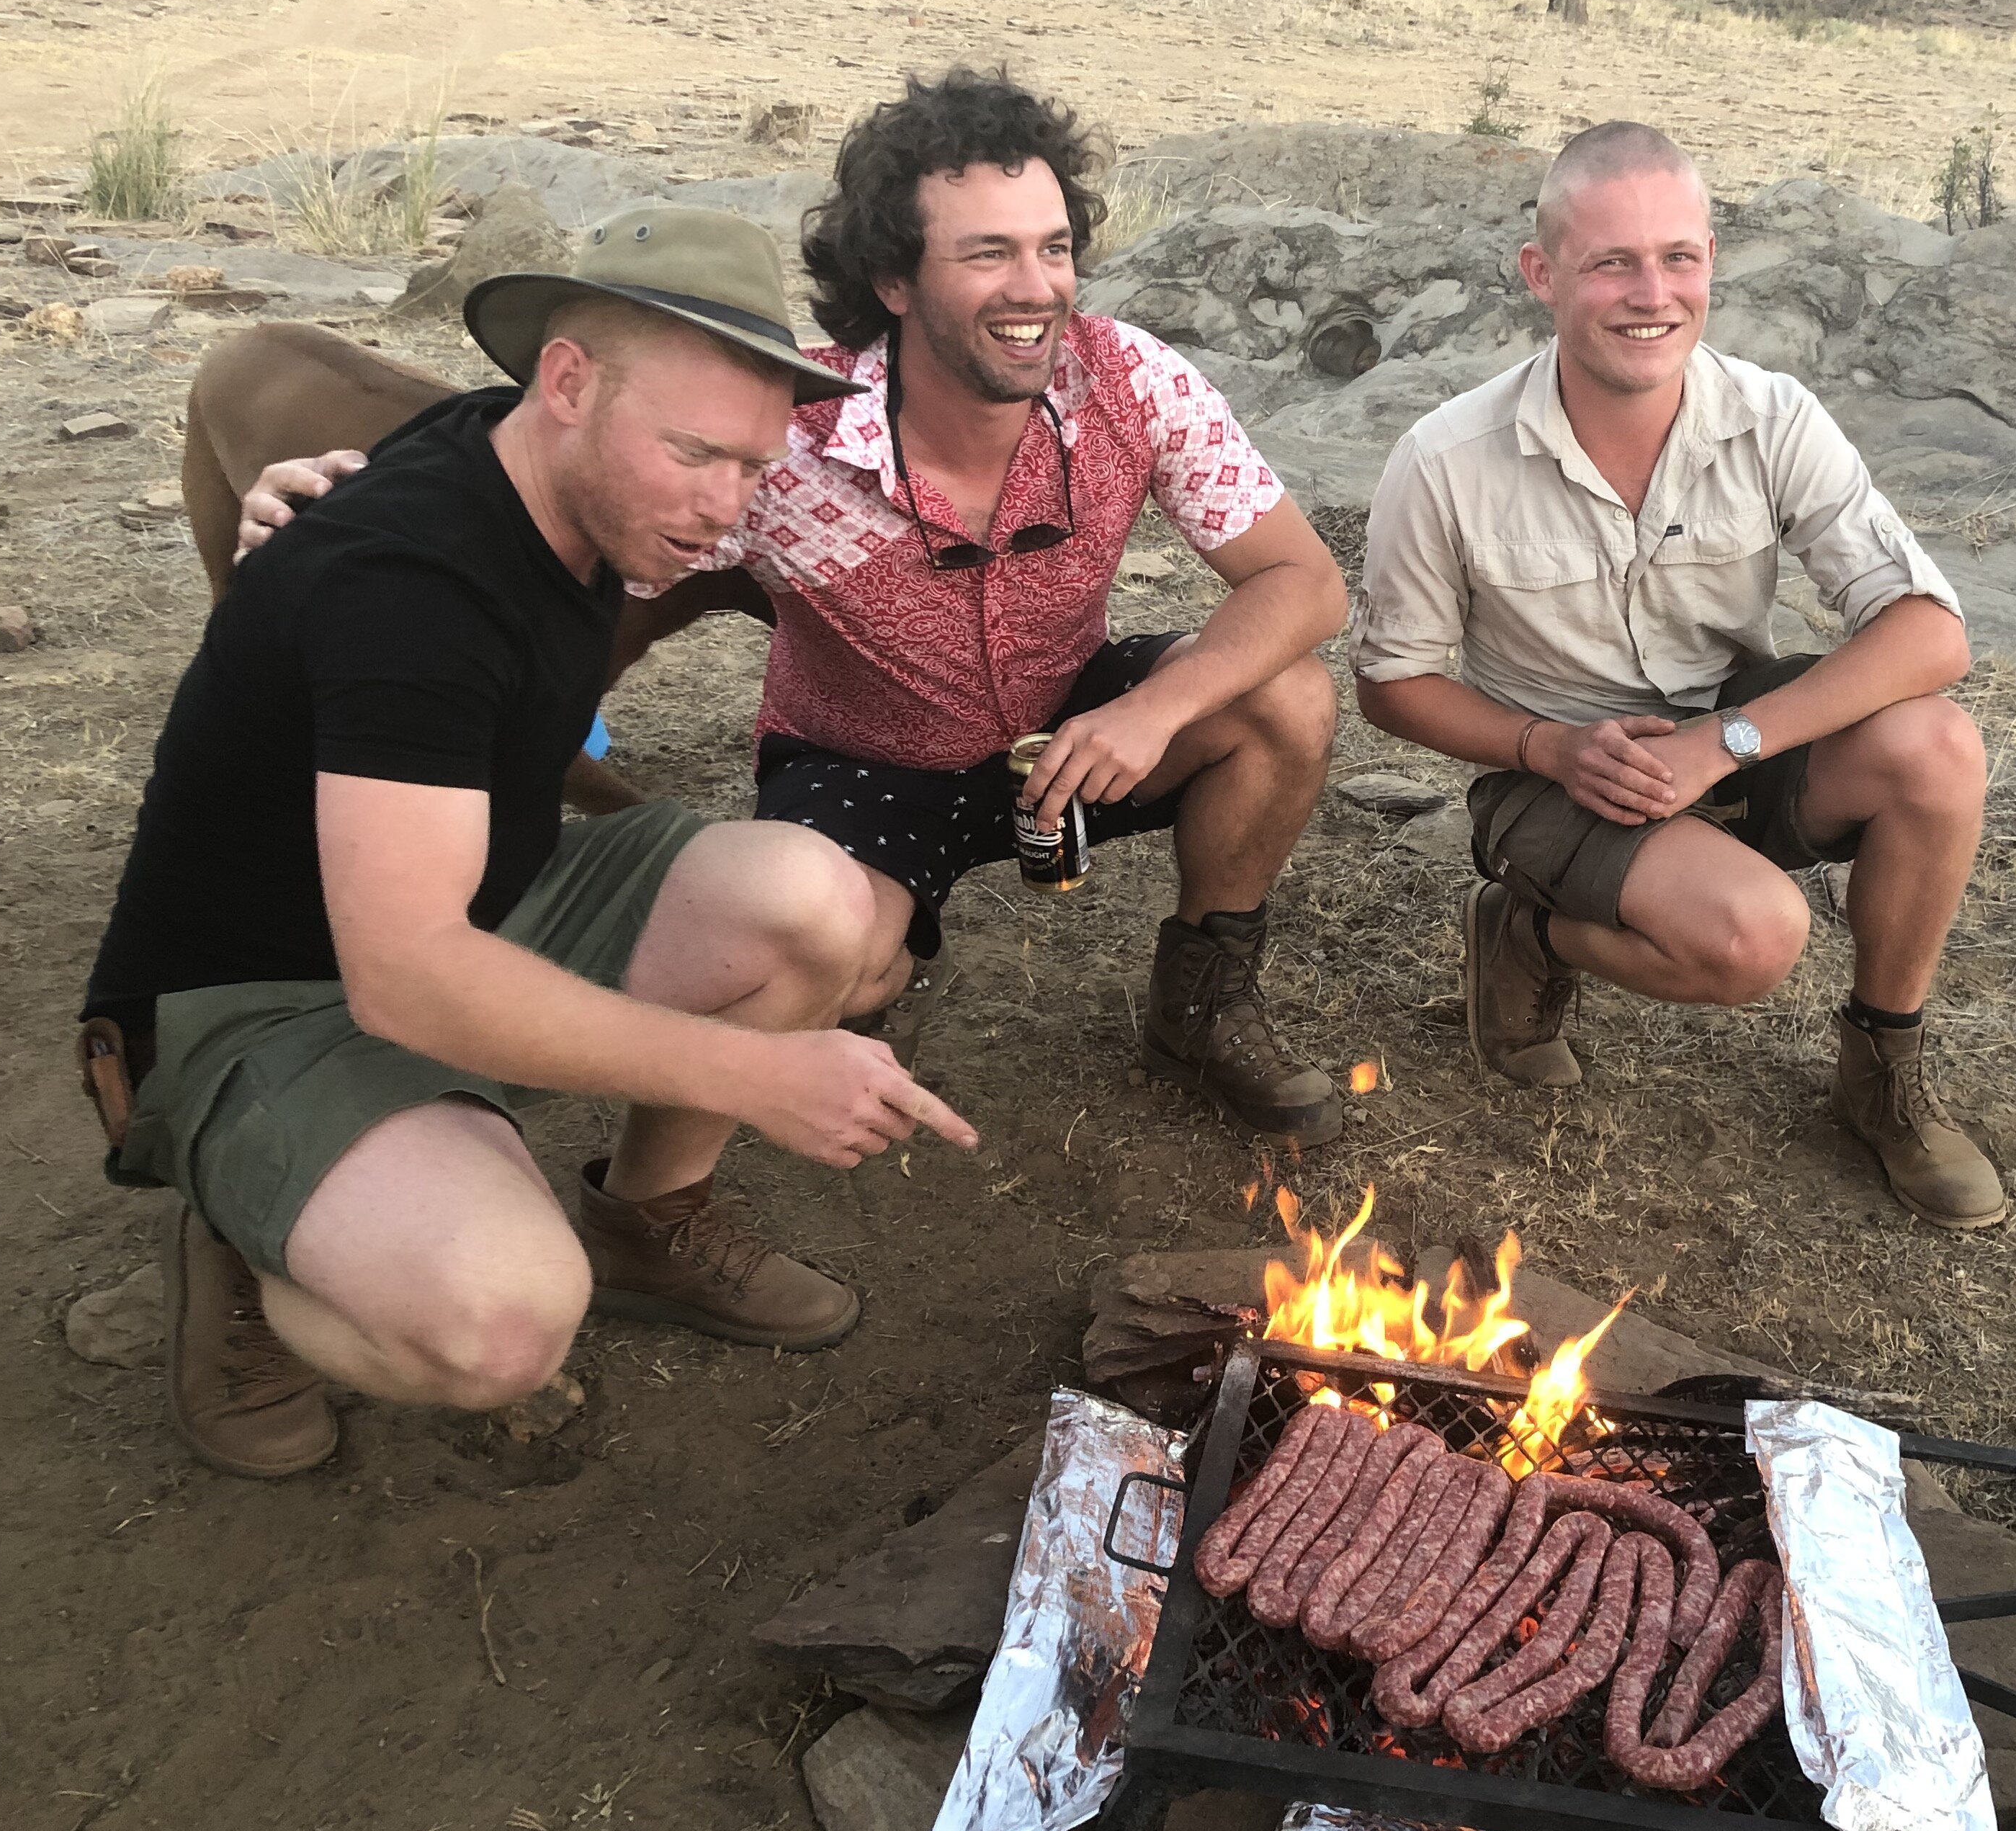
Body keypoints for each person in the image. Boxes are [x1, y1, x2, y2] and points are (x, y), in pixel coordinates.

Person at [241, 70, 1352, 1145]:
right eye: (989, 253)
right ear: (895, 280)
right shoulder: (784, 434)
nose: (1038, 288)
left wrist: (1154, 711)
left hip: (1066, 732)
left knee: (1285, 700)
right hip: (861, 761)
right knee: (838, 964)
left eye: (1053, 248)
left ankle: (1202, 1003)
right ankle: (697, 1157)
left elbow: (1305, 582)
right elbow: (542, 504)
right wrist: (347, 516)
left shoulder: (1130, 381)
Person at [79, 207, 977, 1479]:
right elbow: (408, 977)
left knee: (812, 902)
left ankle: (646, 1221)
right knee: (502, 1322)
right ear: (565, 382)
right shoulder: (413, 588)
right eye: (696, 455)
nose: (727, 512)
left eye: (754, 467)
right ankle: (239, 1224)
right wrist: (759, 1076)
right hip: (265, 999)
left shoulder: (526, 462)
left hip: (473, 898)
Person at [1350, 122, 2009, 1232]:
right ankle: (1528, 934)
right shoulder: (1445, 460)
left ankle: (1881, 1073)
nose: (1650, 294)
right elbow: (1391, 686)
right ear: (1542, 274)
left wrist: (1729, 742)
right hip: (1559, 774)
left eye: (1679, 258)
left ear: (1712, 259)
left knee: (1938, 748)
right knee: (1755, 939)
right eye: (1611, 262)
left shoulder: (1771, 416)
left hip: (1728, 743)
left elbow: (1931, 634)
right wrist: (1543, 747)